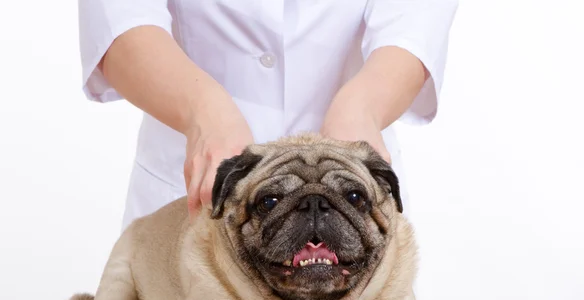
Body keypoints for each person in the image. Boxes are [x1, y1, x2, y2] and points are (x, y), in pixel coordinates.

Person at [78, 0, 458, 230]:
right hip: (190, 194)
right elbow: (118, 21)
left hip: (352, 184)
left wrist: (363, 106)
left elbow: (415, 26)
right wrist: (202, 113)